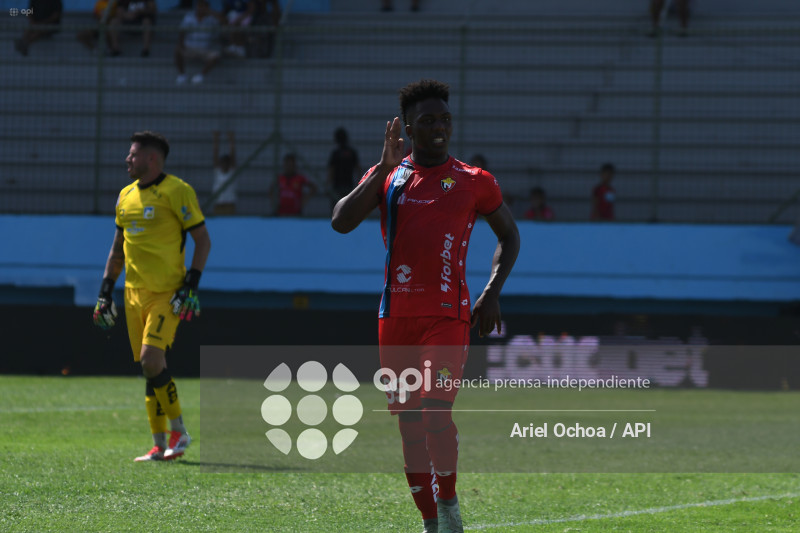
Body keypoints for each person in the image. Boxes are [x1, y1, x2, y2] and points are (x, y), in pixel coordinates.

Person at [331, 79, 520, 533]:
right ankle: (432, 523)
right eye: (428, 121)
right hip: (395, 318)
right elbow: (340, 222)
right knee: (410, 428)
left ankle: (449, 502)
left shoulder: (475, 181)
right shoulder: (390, 176)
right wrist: (381, 168)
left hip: (448, 316)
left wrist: (491, 291)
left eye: (445, 119)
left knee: (436, 411)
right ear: (409, 129)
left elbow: (509, 235)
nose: (440, 127)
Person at [92, 131, 211, 462]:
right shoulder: (125, 196)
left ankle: (180, 431)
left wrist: (191, 284)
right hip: (132, 294)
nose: (127, 159)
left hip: (166, 294)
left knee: (151, 360)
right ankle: (160, 445)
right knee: (149, 368)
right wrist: (105, 291)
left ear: (151, 159)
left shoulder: (177, 191)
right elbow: (118, 249)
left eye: (133, 154)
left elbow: (203, 240)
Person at [175, 0, 221, 85]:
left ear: (207, 7)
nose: (201, 8)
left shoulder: (212, 18)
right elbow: (182, 32)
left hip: (205, 49)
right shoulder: (189, 17)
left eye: (203, 6)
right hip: (190, 48)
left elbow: (224, 21)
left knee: (216, 56)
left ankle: (200, 76)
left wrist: (211, 12)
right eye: (199, 5)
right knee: (177, 51)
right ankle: (182, 75)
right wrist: (181, 45)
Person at [327, 127, 361, 210]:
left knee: (336, 209)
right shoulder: (352, 152)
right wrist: (359, 184)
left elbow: (332, 170)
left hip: (337, 186)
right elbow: (358, 169)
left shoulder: (336, 153)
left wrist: (328, 184)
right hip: (349, 185)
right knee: (348, 210)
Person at [211, 131, 237, 215]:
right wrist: (216, 139)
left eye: (226, 163)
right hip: (218, 205)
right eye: (222, 163)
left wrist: (231, 140)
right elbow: (215, 154)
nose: (224, 165)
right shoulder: (218, 172)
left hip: (229, 205)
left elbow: (233, 156)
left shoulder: (231, 172)